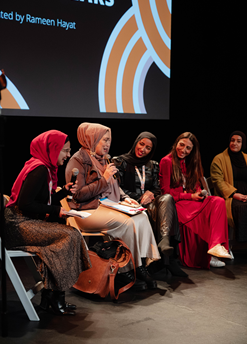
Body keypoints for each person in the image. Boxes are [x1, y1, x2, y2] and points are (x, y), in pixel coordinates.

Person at [4, 130, 91, 316]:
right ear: (52, 149)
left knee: (65, 234)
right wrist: (57, 210)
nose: (68, 155)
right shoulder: (39, 169)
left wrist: (63, 193)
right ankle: (54, 295)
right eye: (65, 151)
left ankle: (51, 295)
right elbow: (25, 204)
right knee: (69, 235)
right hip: (16, 225)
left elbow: (40, 200)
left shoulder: (43, 167)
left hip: (22, 220)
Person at [65, 123, 160, 290]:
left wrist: (125, 198)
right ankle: (126, 271)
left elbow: (114, 185)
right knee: (127, 223)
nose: (108, 144)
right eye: (105, 140)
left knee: (141, 216)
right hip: (86, 211)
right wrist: (104, 179)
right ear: (92, 139)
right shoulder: (78, 161)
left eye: (110, 140)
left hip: (105, 205)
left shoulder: (103, 158)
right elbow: (78, 195)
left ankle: (141, 265)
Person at [112, 132, 187, 277]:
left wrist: (151, 193)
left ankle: (164, 241)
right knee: (160, 211)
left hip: (149, 203)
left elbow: (157, 188)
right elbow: (117, 188)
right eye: (141, 144)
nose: (143, 149)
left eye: (148, 148)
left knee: (167, 199)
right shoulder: (120, 161)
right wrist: (140, 196)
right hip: (129, 203)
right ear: (136, 143)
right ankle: (167, 261)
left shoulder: (153, 165)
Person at [159, 132, 232, 269]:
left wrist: (198, 193)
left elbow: (195, 187)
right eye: (182, 145)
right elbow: (166, 194)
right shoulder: (166, 161)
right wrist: (189, 196)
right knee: (201, 212)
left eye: (188, 148)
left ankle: (216, 246)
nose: (184, 150)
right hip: (176, 203)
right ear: (176, 143)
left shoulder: (192, 162)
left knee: (218, 201)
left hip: (191, 200)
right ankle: (210, 256)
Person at [210, 131, 247, 245]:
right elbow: (218, 181)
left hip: (246, 195)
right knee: (241, 209)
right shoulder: (219, 159)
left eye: (238, 141)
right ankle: (241, 242)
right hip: (230, 197)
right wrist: (234, 194)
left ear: (243, 144)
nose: (234, 143)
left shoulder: (246, 158)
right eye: (232, 140)